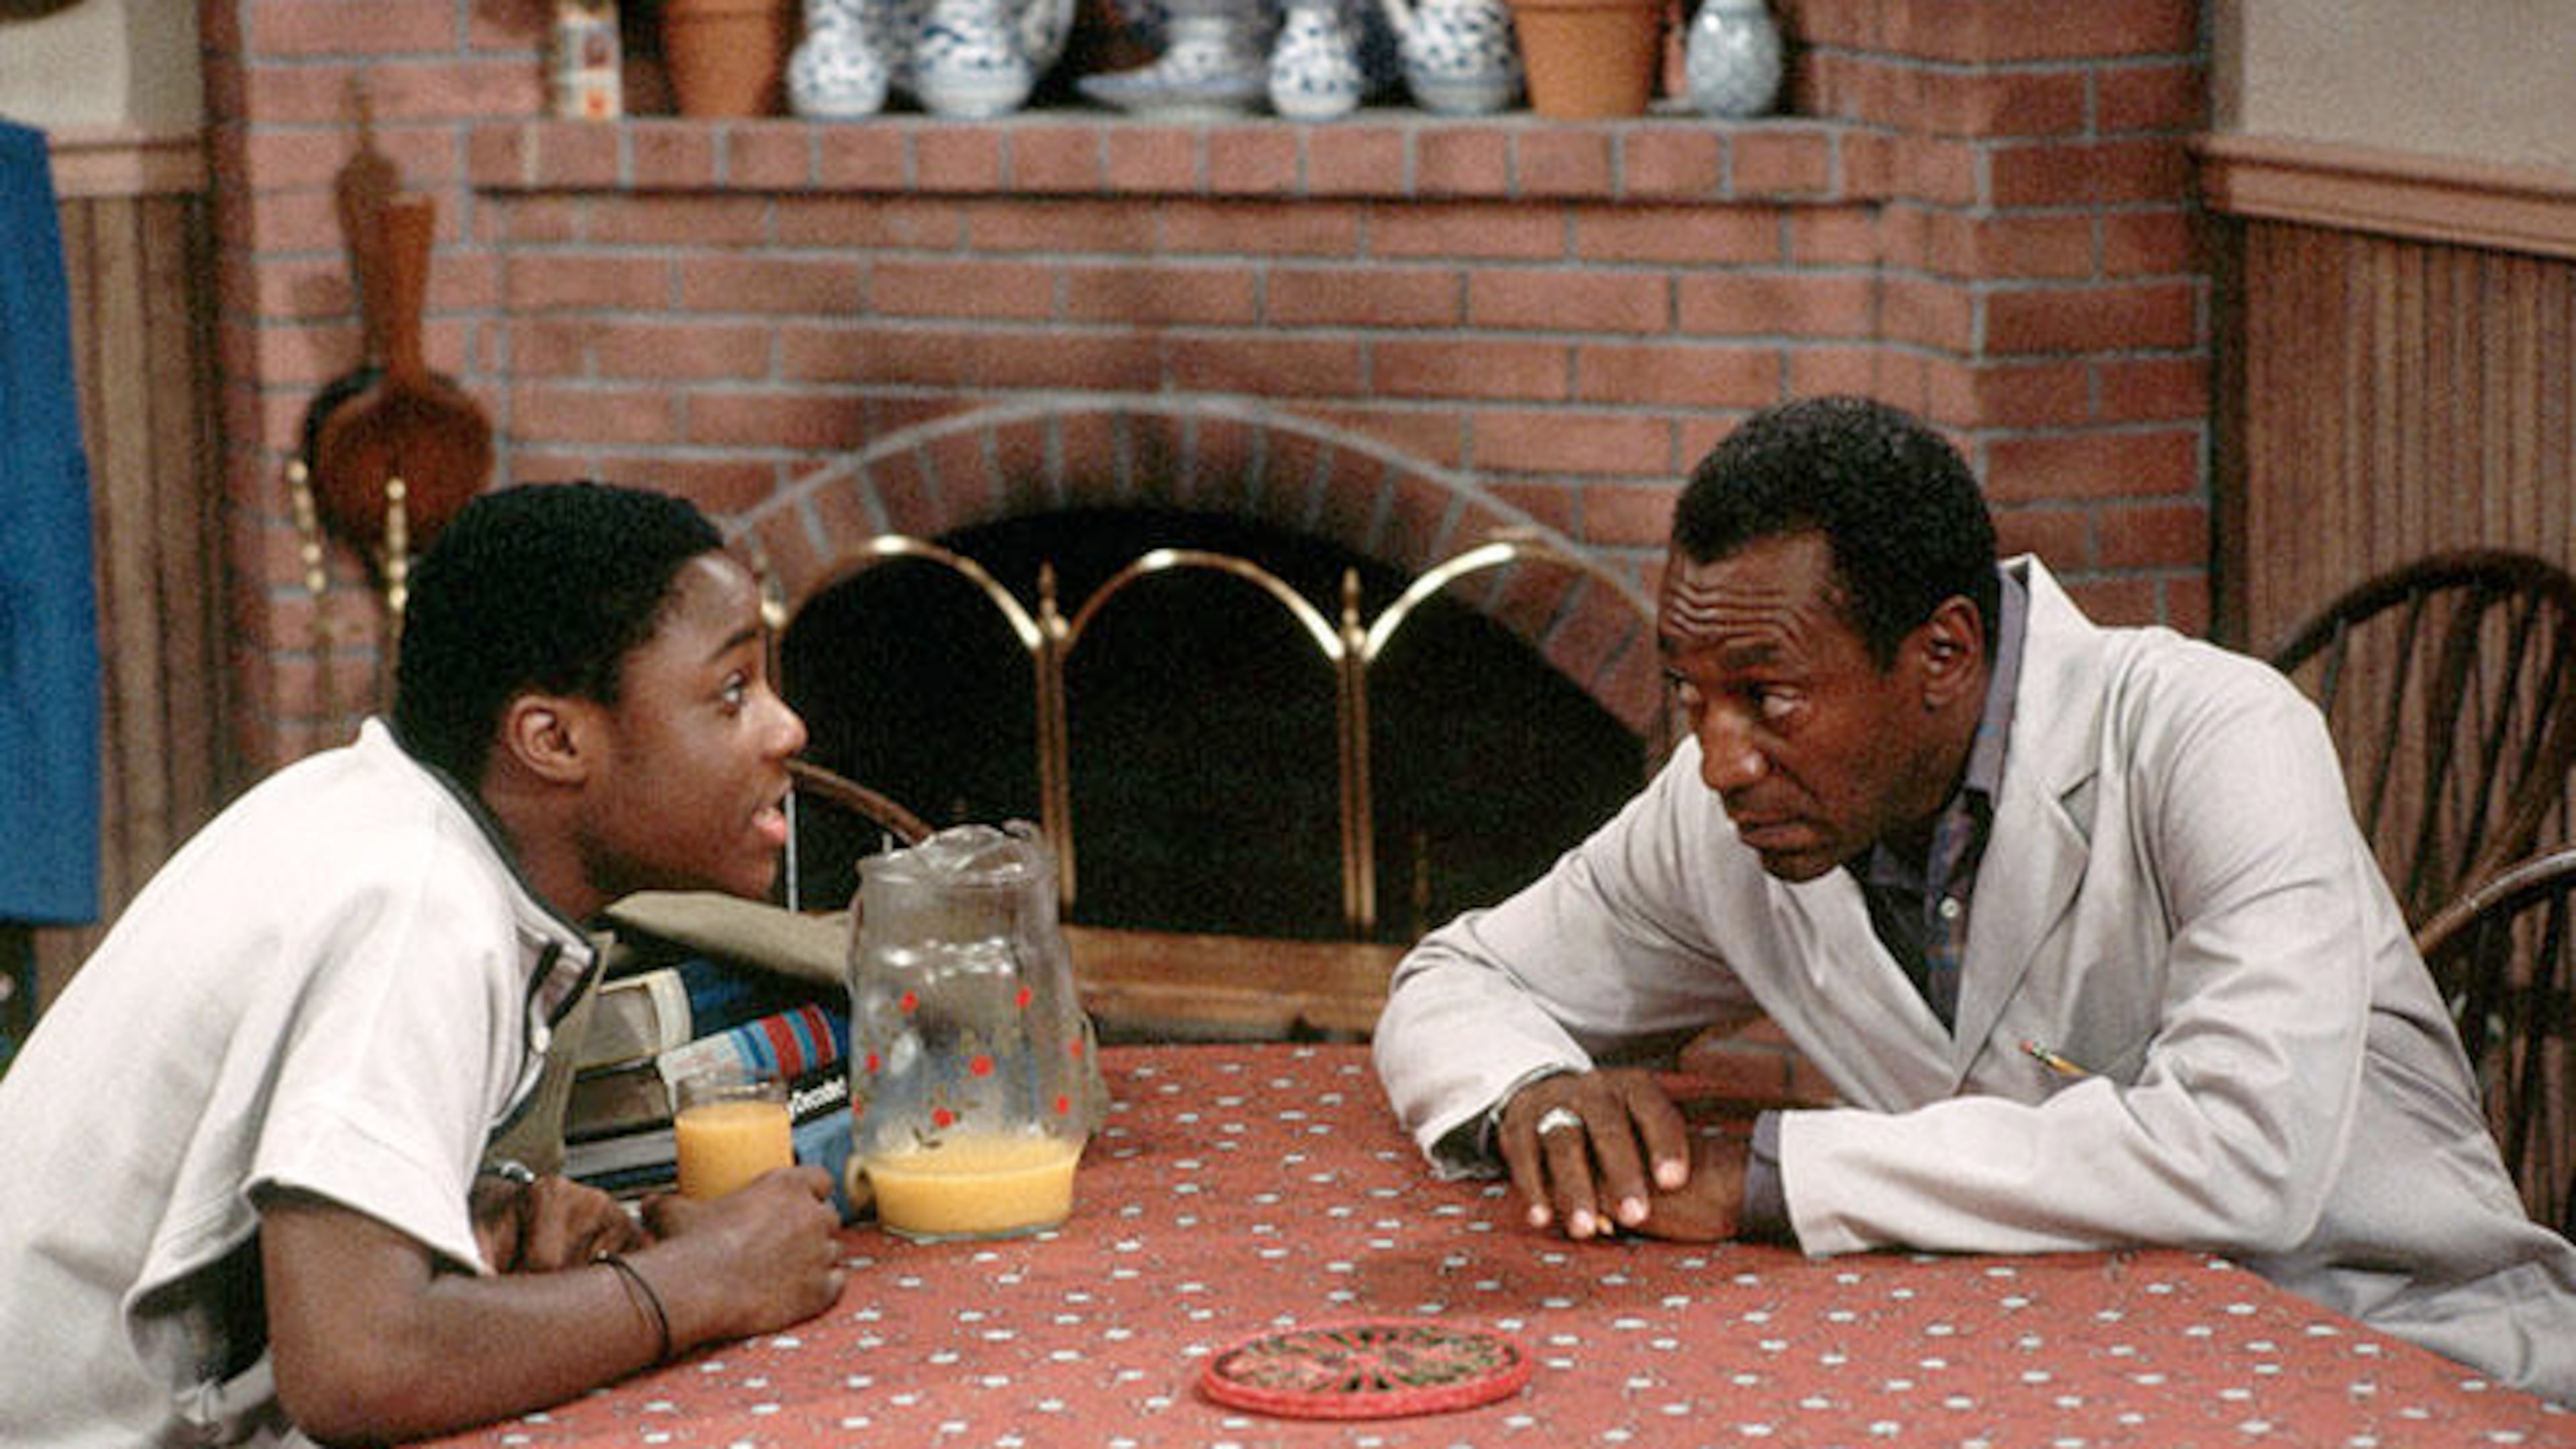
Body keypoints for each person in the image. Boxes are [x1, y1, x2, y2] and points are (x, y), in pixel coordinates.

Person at [1373, 395, 2576, 1401]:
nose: (1723, 756)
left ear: (1944, 653)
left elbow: (2241, 1152)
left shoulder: (2215, 732)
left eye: (1769, 695)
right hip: (2064, 1359)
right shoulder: (1727, 807)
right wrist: (1535, 1093)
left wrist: (1773, 1177)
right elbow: (1463, 977)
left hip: (2394, 1351)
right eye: (1690, 694)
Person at [0, 482, 849, 1446]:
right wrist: (705, 1282)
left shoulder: (385, 828)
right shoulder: (419, 906)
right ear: (554, 739)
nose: (787, 729)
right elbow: (359, 1368)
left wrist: (475, 1218)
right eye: (733, 692)